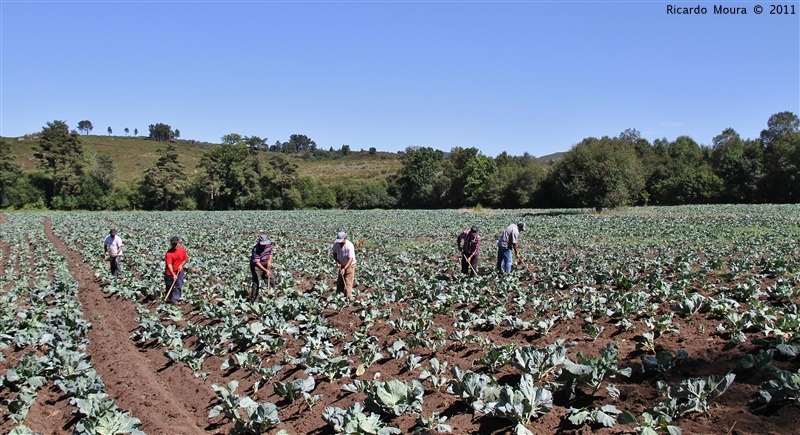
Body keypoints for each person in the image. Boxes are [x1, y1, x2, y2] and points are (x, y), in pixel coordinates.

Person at [249, 234, 273, 302]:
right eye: (263, 244)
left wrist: (269, 261)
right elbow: (257, 263)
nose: (264, 246)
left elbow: (271, 254)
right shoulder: (255, 249)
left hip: (265, 264)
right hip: (257, 266)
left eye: (265, 244)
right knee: (256, 282)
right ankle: (254, 300)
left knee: (271, 280)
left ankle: (273, 297)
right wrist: (265, 270)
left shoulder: (269, 245)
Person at [331, 231, 356, 298]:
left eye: (341, 240)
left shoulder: (349, 245)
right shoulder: (336, 244)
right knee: (340, 282)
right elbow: (334, 254)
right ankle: (338, 297)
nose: (340, 242)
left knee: (348, 282)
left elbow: (351, 259)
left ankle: (347, 298)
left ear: (345, 238)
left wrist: (344, 268)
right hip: (341, 264)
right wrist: (337, 261)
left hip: (350, 265)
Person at [164, 236, 188, 304]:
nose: (174, 245)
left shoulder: (182, 250)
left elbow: (185, 259)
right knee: (169, 286)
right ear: (171, 244)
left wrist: (181, 265)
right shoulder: (169, 253)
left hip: (179, 272)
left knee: (178, 285)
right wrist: (173, 274)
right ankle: (169, 298)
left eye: (176, 243)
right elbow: (169, 265)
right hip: (169, 273)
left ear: (178, 243)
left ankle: (175, 300)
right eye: (173, 244)